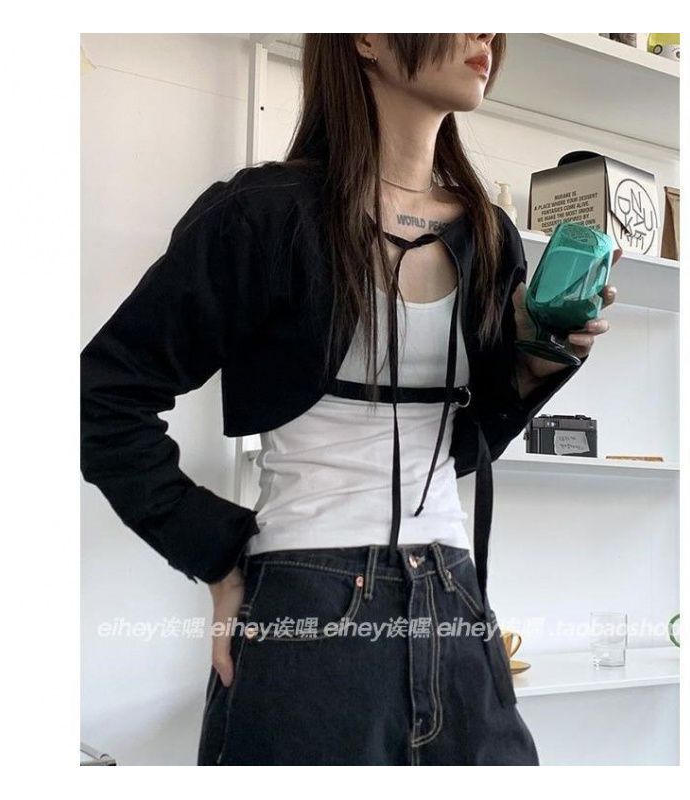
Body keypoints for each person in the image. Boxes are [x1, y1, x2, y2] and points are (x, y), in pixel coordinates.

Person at [80, 33, 617, 766]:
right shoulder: (262, 214)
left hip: (456, 597)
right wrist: (215, 553)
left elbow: (464, 445)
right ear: (366, 35)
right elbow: (101, 397)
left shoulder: (488, 235)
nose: (486, 32)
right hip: (308, 598)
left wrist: (533, 366)